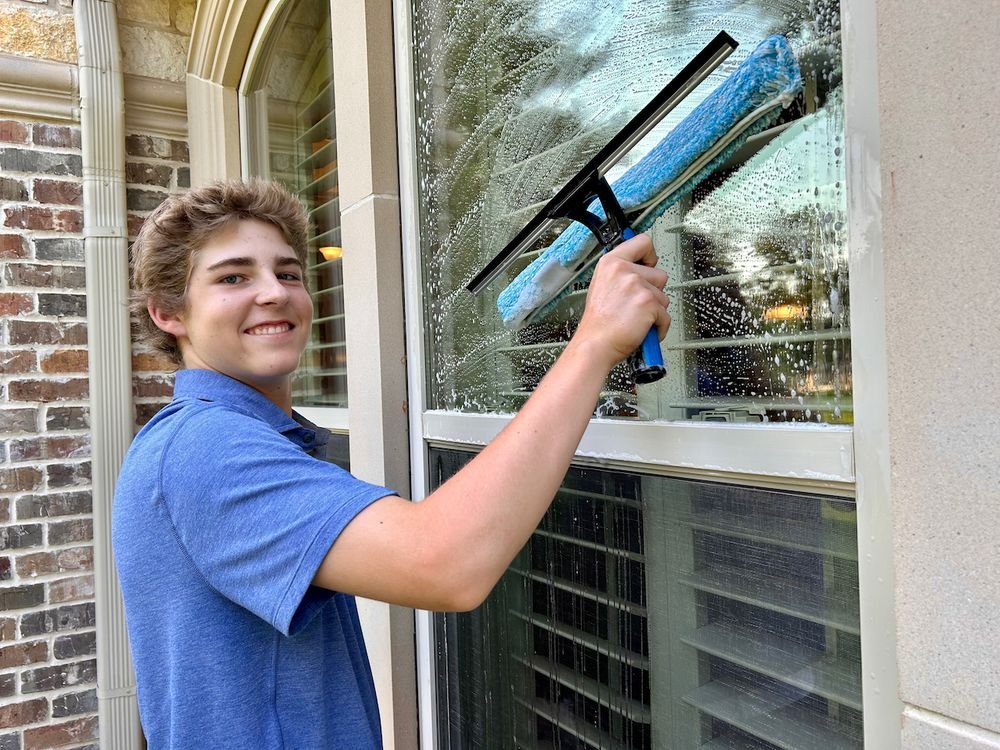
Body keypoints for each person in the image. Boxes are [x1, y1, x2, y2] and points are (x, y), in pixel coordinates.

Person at [113, 178, 670, 748]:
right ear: (167, 314)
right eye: (233, 277)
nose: (274, 292)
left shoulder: (227, 439)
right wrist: (595, 341)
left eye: (287, 273)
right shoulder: (206, 448)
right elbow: (445, 561)